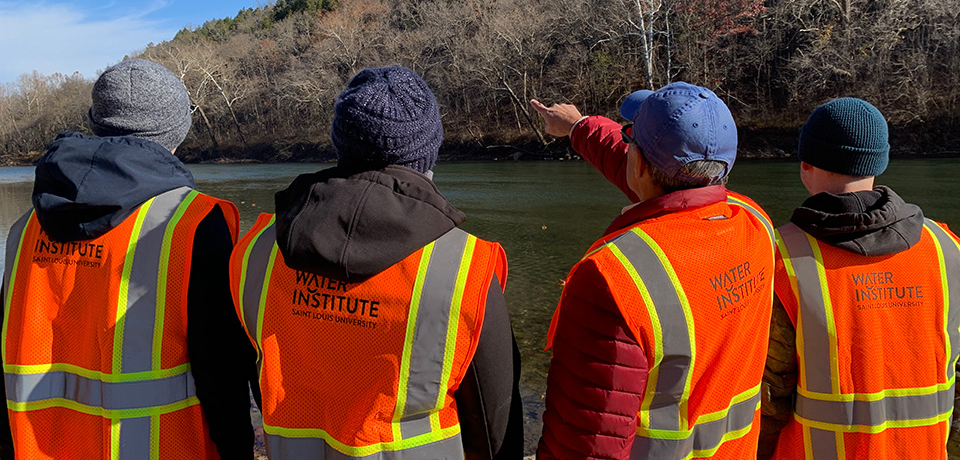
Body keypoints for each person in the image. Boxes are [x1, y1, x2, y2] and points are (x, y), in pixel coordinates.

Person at [229, 65, 523, 459]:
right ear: (428, 152)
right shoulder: (463, 266)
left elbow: (254, 375)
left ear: (340, 145)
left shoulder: (255, 250)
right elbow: (493, 422)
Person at [0, 58, 257, 459]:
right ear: (176, 132)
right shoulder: (194, 222)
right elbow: (220, 369)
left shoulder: (27, 225)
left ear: (97, 122)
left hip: (40, 445)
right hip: (162, 446)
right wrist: (238, 449)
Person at [531, 82, 776, 460]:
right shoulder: (754, 221)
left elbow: (588, 442)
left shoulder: (614, 278)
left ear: (640, 164)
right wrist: (579, 126)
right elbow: (655, 180)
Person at [757, 97, 960, 459]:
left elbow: (771, 398)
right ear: (879, 162)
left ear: (805, 164)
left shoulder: (780, 259)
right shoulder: (946, 248)